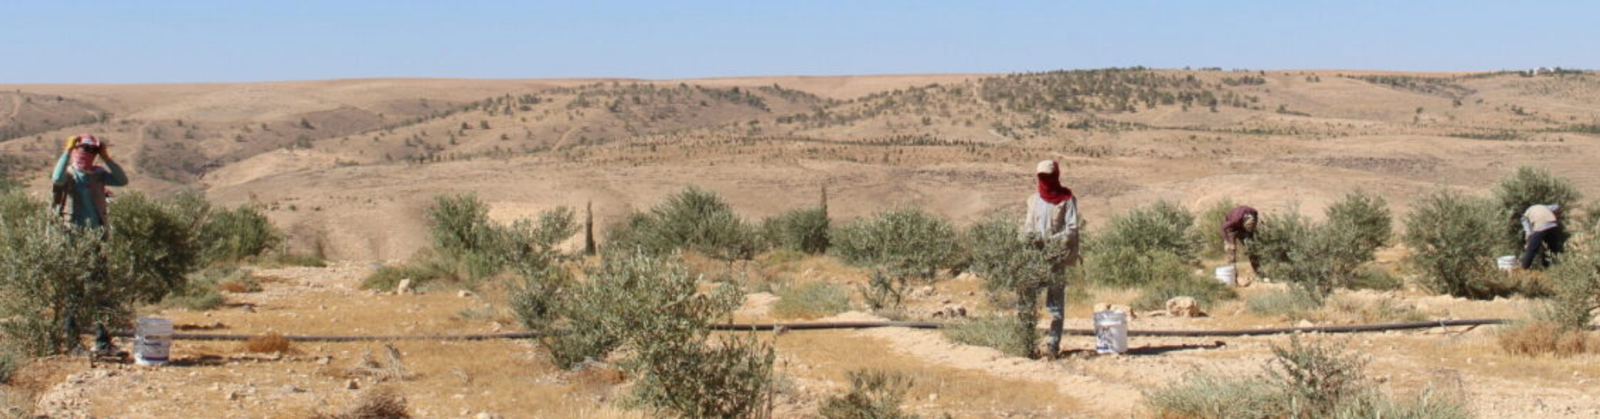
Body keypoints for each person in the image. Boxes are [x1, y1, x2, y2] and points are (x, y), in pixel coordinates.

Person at [49, 133, 128, 355]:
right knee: (74, 293)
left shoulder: (99, 175)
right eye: (82, 148)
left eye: (91, 150)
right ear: (75, 150)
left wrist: (107, 157)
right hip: (73, 241)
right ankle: (73, 344)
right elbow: (56, 179)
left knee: (100, 292)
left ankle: (103, 343)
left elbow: (122, 180)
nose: (86, 153)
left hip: (97, 241)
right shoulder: (69, 175)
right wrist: (66, 151)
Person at [1019, 160, 1081, 358]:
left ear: (1056, 176)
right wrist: (1029, 240)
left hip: (1056, 259)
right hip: (1035, 258)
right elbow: (1029, 226)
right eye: (1041, 177)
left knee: (1055, 305)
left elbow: (1071, 229)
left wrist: (1052, 242)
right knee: (1027, 301)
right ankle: (1026, 343)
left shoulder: (1067, 199)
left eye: (1048, 176)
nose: (1045, 180)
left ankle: (1053, 345)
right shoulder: (1033, 200)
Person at [1220, 205, 1260, 283]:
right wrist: (1229, 242)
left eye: (1251, 227)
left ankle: (1259, 274)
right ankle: (1233, 279)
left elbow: (1252, 227)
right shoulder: (1234, 221)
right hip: (1231, 229)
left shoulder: (1254, 213)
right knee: (1231, 252)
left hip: (1244, 225)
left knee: (1252, 249)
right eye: (1248, 226)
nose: (1250, 228)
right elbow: (1223, 229)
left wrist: (1250, 232)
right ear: (1244, 223)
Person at [1520, 204, 1565, 269]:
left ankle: (1523, 268)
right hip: (1553, 226)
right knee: (1552, 248)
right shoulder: (1542, 206)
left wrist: (1528, 242)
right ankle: (1553, 267)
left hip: (1540, 228)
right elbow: (1557, 206)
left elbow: (1529, 232)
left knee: (1531, 250)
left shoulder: (1524, 216)